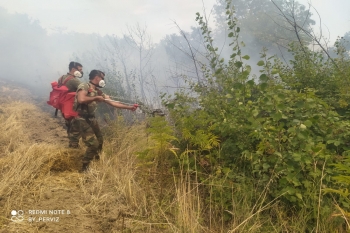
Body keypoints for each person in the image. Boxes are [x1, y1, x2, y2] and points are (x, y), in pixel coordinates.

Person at [70, 70, 137, 172]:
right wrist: (96, 98)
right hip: (81, 118)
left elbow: (114, 103)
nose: (103, 80)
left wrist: (129, 107)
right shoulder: (85, 86)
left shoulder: (98, 91)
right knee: (93, 144)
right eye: (102, 78)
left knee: (100, 141)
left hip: (91, 118)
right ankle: (84, 168)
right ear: (96, 77)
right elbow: (81, 99)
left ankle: (96, 161)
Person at [58, 61, 84, 148]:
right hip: (72, 107)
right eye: (80, 70)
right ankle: (74, 146)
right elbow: (85, 89)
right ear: (73, 69)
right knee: (76, 126)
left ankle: (71, 142)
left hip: (63, 106)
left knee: (69, 124)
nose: (81, 72)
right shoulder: (74, 80)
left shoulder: (61, 78)